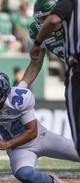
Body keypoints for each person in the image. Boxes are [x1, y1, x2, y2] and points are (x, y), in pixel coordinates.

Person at [25, 0, 80, 156]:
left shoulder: (72, 21)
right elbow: (36, 64)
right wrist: (21, 88)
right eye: (41, 19)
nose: (44, 23)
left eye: (46, 18)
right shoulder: (37, 32)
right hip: (73, 76)